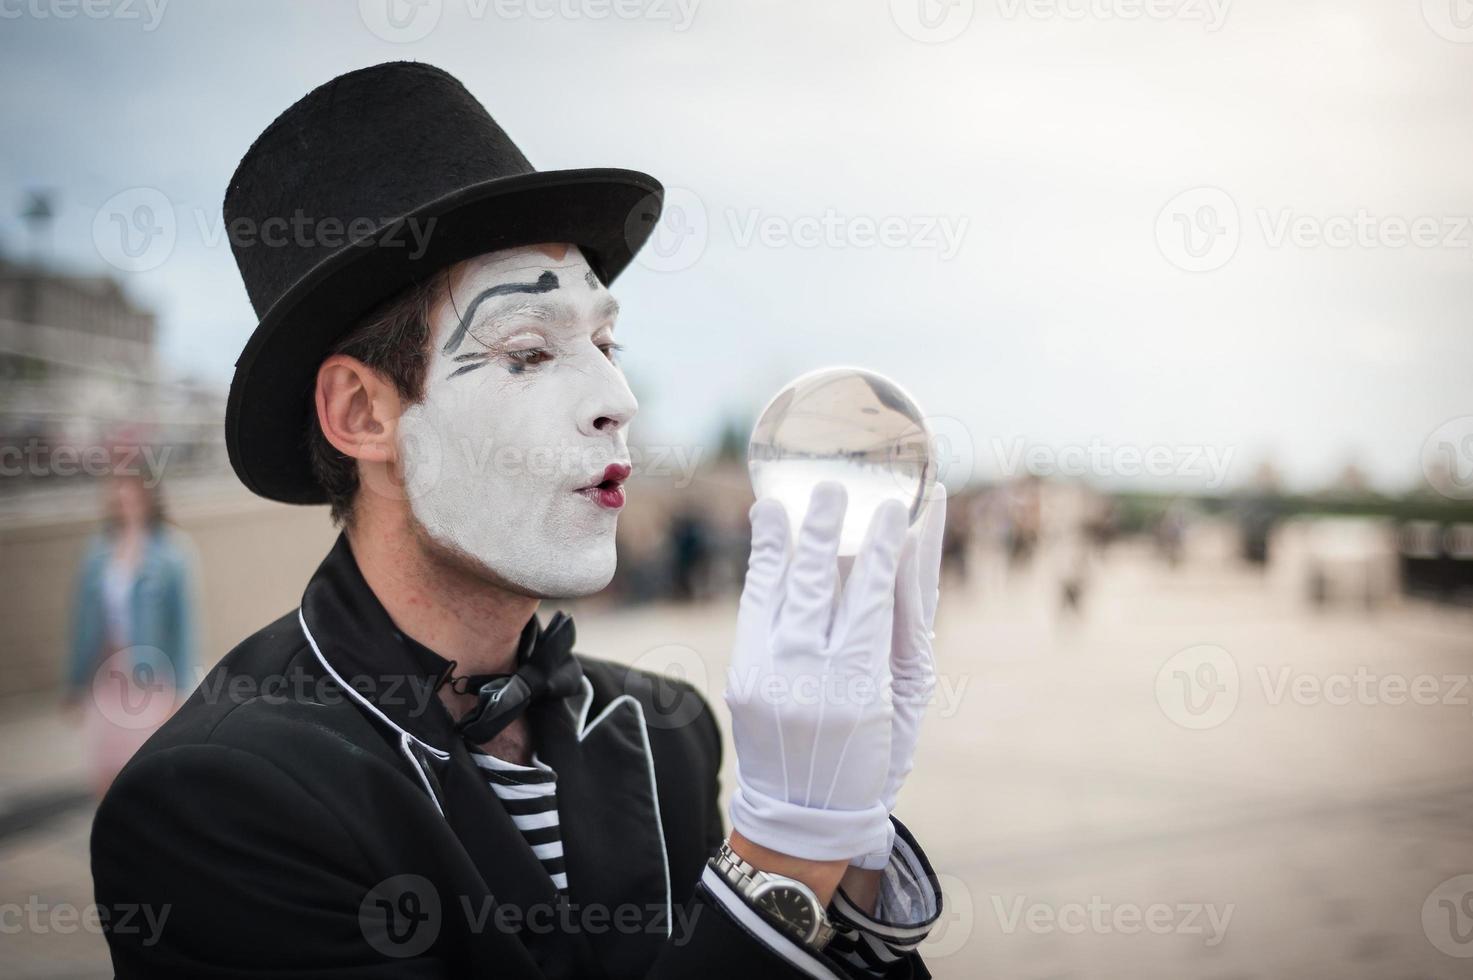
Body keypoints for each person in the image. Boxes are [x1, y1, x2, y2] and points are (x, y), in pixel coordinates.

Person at [91, 63, 947, 978]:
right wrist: (777, 867)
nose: (616, 399)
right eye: (530, 351)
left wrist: (846, 855)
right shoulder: (219, 800)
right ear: (363, 416)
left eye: (607, 344)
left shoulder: (663, 729)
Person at [65, 469, 196, 797]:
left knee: (146, 773)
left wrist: (179, 689)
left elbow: (183, 625)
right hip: (105, 674)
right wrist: (75, 683)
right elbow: (81, 622)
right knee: (105, 770)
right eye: (118, 491)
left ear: (149, 495)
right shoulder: (97, 552)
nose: (124, 498)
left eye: (132, 490)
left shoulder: (172, 553)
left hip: (150, 677)